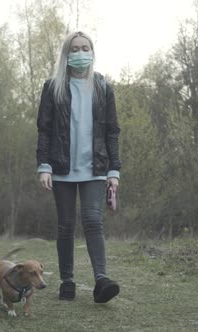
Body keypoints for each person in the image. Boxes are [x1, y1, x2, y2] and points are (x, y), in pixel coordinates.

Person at [36, 31, 121, 303]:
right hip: (61, 167)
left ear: (92, 52)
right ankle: (67, 281)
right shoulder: (52, 87)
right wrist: (44, 165)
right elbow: (44, 130)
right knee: (66, 226)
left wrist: (113, 171)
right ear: (67, 54)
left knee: (94, 222)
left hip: (95, 168)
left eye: (85, 48)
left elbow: (112, 132)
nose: (81, 53)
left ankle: (101, 281)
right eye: (75, 49)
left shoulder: (103, 87)